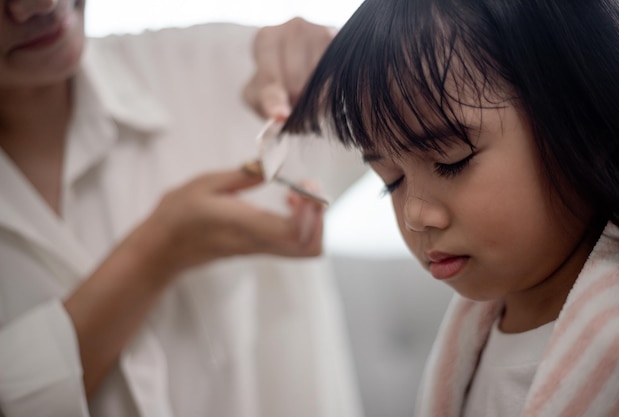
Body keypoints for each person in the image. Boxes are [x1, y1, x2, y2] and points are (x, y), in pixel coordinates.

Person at [0, 1, 366, 416]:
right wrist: (157, 251)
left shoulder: (229, 65)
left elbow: (425, 104)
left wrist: (352, 55)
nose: (41, 5)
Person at [283, 0, 619, 416]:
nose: (414, 214)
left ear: (582, 123)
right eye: (391, 181)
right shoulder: (483, 326)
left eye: (450, 162)